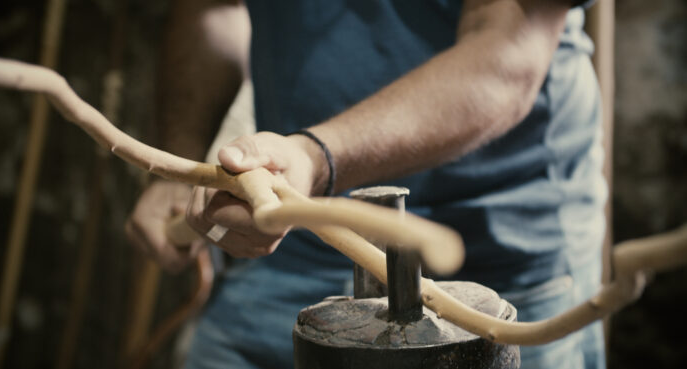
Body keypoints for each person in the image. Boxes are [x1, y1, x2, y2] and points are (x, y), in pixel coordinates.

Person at [126, 0, 606, 368]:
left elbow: (507, 48)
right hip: (284, 262)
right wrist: (183, 160)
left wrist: (315, 158)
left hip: (502, 263)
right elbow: (212, 9)